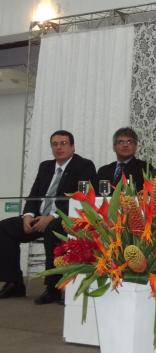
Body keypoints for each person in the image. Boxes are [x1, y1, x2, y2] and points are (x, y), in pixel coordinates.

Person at [0, 130, 96, 304]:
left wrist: (52, 217)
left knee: (52, 229)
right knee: (4, 228)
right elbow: (34, 194)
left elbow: (81, 198)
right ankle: (14, 283)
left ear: (72, 147)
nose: (59, 147)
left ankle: (53, 288)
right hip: (39, 217)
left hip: (66, 218)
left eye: (63, 143)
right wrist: (28, 215)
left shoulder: (84, 166)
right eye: (55, 144)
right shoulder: (45, 166)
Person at [96, 127, 150, 192]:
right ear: (114, 147)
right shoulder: (103, 171)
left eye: (129, 142)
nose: (125, 145)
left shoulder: (144, 168)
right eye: (121, 142)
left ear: (136, 147)